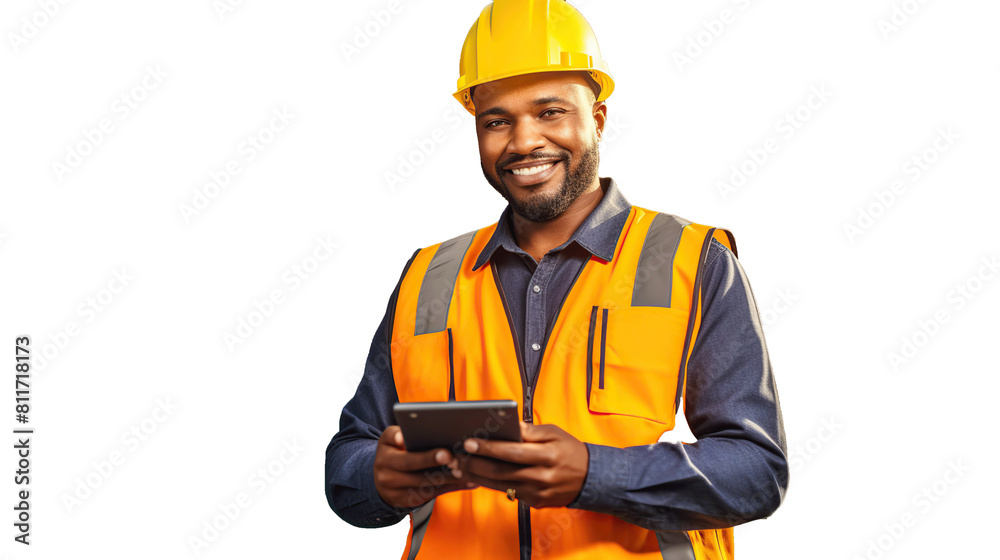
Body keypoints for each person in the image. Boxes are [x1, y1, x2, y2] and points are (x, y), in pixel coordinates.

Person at [325, 1, 788, 558]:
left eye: (550, 112)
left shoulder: (692, 259)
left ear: (596, 119)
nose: (523, 143)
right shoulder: (429, 276)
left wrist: (595, 473)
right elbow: (349, 460)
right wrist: (381, 477)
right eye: (497, 120)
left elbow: (756, 472)